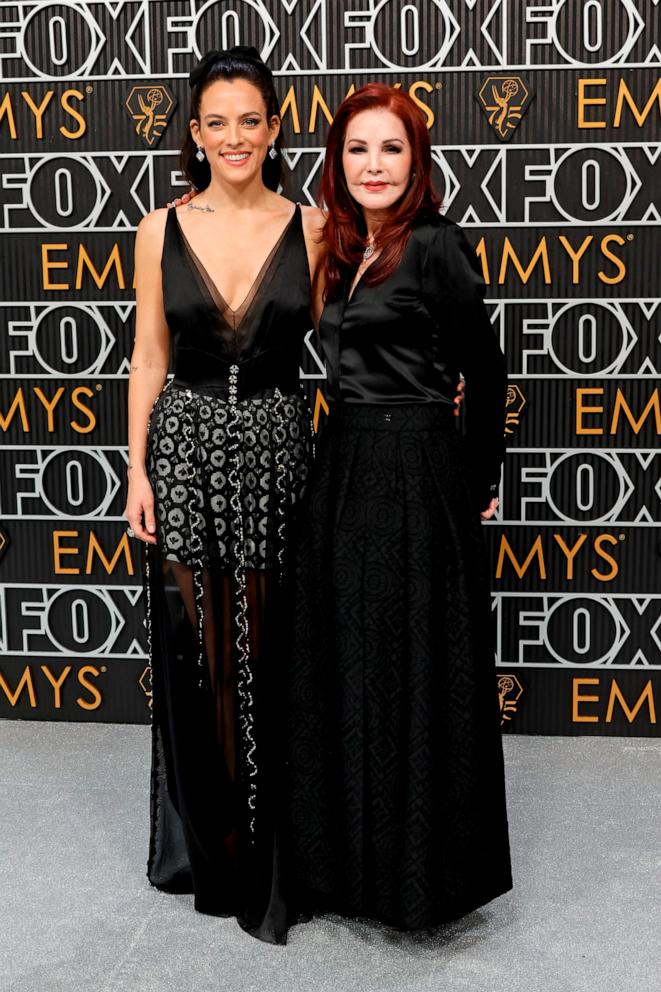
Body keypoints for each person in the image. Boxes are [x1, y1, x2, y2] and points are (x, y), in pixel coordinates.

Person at [287, 83, 513, 930]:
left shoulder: (436, 245)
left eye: (389, 148)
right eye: (356, 149)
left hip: (419, 468)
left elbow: (483, 373)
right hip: (340, 462)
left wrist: (476, 477)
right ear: (335, 162)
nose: (372, 165)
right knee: (346, 662)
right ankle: (343, 868)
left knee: (415, 671)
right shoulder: (335, 246)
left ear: (415, 161)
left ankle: (419, 878)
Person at [124, 46, 324, 944]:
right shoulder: (159, 228)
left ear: (273, 127)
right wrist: (137, 468)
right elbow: (150, 359)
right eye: (217, 122)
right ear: (195, 134)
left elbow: (356, 345)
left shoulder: (315, 228)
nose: (234, 136)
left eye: (252, 119)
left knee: (277, 640)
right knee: (198, 646)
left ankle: (277, 842)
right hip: (189, 448)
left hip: (282, 449)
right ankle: (208, 844)